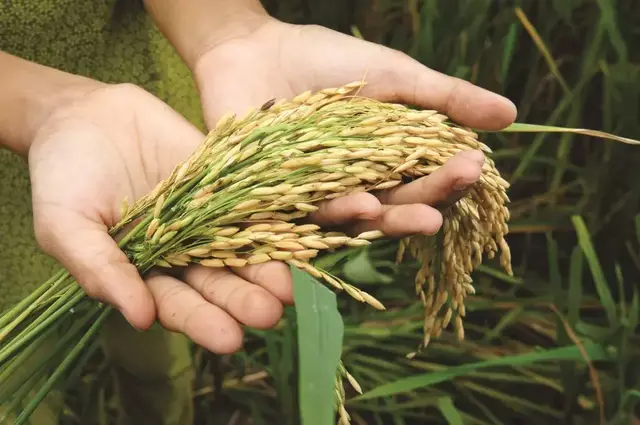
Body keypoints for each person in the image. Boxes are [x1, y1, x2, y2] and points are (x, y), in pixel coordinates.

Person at [0, 1, 517, 424]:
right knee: (18, 388)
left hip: (160, 148)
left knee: (154, 338)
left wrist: (227, 27)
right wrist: (42, 107)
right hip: (64, 164)